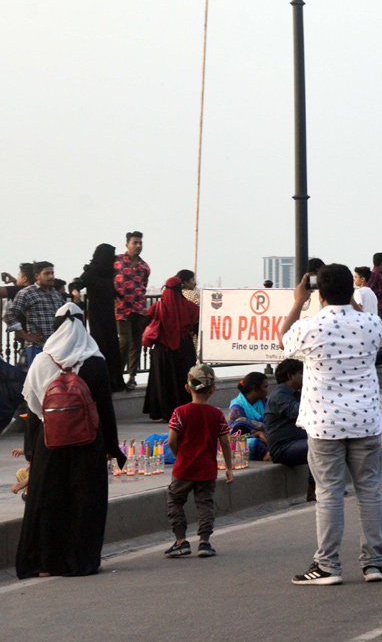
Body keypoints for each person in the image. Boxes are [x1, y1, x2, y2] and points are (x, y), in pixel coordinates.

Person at [279, 264, 382, 585]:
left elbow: (283, 339)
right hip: (365, 421)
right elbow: (364, 324)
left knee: (329, 494)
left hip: (324, 424)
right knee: (370, 492)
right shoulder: (372, 323)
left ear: (319, 293)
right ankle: (374, 564)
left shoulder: (309, 327)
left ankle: (328, 566)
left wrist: (299, 301)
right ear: (351, 292)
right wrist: (350, 301)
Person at [16, 303, 124, 578]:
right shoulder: (94, 361)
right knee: (84, 501)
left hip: (49, 442)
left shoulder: (41, 361)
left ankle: (43, 563)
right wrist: (111, 447)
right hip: (87, 442)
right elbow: (105, 410)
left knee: (48, 500)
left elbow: (32, 407)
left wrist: (32, 452)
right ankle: (82, 561)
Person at [164, 364, 235, 558]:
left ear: (187, 388)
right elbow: (225, 443)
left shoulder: (180, 412)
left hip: (184, 468)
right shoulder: (217, 414)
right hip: (207, 468)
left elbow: (171, 440)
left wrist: (180, 456)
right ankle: (204, 542)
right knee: (205, 504)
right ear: (213, 389)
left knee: (175, 500)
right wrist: (228, 467)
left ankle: (181, 541)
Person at [67, 245, 124, 391]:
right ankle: (102, 382)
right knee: (101, 345)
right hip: (97, 315)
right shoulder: (92, 271)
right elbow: (76, 283)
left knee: (112, 346)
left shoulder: (106, 272)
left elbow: (107, 287)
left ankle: (114, 381)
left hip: (109, 315)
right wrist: (75, 292)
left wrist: (117, 295)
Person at [142, 277, 199, 421]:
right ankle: (186, 412)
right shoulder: (190, 307)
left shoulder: (158, 307)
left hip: (163, 350)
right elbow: (198, 325)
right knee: (184, 381)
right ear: (180, 290)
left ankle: (165, 413)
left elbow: (144, 323)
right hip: (184, 349)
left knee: (164, 382)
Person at [265, 358, 316, 502]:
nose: (305, 376)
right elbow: (298, 411)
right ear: (290, 376)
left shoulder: (297, 393)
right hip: (283, 447)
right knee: (317, 447)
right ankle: (314, 490)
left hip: (297, 442)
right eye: (301, 373)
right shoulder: (280, 395)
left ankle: (328, 486)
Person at [3, 262, 64, 368]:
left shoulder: (55, 294)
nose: (51, 277)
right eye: (47, 274)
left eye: (52, 273)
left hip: (56, 347)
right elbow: (9, 315)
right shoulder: (27, 293)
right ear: (37, 276)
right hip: (38, 347)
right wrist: (25, 335)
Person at [114, 231, 151, 389]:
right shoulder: (117, 261)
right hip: (121, 309)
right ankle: (117, 374)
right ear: (127, 244)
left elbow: (144, 286)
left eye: (140, 243)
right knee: (125, 341)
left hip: (139, 309)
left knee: (137, 343)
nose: (138, 246)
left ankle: (132, 376)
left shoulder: (144, 267)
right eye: (135, 243)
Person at [228, 372, 271, 460]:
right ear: (255, 388)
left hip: (267, 435)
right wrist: (257, 433)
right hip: (245, 439)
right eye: (265, 387)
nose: (267, 391)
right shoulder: (237, 407)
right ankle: (266, 454)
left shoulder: (266, 401)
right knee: (253, 443)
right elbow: (235, 434)